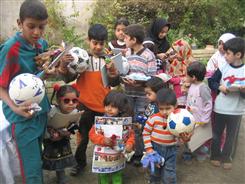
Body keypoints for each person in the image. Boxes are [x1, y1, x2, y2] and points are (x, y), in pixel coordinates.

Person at [0, 1, 49, 183]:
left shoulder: (41, 44)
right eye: (31, 26)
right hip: (22, 118)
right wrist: (14, 108)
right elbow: (0, 85)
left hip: (40, 111)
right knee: (30, 168)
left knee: (38, 159)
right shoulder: (11, 50)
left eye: (41, 27)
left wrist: (49, 69)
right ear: (20, 23)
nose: (36, 32)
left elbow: (35, 80)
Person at [69, 24, 119, 176]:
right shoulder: (80, 59)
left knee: (106, 137)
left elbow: (115, 82)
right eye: (94, 43)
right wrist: (65, 66)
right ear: (88, 41)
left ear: (105, 43)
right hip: (84, 106)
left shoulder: (109, 60)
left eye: (101, 43)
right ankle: (80, 163)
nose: (98, 46)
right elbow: (68, 77)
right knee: (83, 137)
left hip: (104, 107)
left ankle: (107, 163)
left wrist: (112, 71)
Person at [121, 24, 157, 165]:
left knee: (139, 123)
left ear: (134, 39)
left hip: (142, 96)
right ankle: (129, 150)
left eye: (126, 38)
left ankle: (139, 153)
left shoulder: (149, 55)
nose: (124, 40)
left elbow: (153, 78)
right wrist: (124, 78)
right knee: (128, 122)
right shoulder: (127, 53)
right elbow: (124, 71)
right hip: (129, 93)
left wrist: (140, 83)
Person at [208, 37, 245, 170]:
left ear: (238, 55)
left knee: (231, 136)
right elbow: (211, 81)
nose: (225, 56)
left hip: (236, 110)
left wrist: (242, 90)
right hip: (221, 108)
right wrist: (220, 87)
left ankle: (226, 157)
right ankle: (215, 156)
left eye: (228, 53)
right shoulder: (223, 67)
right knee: (217, 133)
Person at [143, 88, 191, 184]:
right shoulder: (153, 118)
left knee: (169, 174)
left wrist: (185, 139)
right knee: (155, 173)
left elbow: (181, 139)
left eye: (168, 108)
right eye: (161, 108)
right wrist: (149, 149)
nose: (164, 112)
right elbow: (146, 133)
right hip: (155, 149)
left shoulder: (179, 120)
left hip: (171, 150)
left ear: (175, 105)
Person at [89, 91, 135, 184]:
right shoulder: (100, 121)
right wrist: (102, 140)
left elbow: (131, 135)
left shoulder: (125, 122)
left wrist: (130, 144)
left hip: (118, 155)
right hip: (103, 155)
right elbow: (92, 135)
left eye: (113, 107)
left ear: (121, 108)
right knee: (103, 176)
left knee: (117, 175)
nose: (109, 109)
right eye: (107, 105)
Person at [42, 84, 80, 184]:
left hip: (63, 140)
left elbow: (74, 126)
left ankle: (61, 177)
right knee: (54, 157)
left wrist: (68, 132)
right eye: (66, 100)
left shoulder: (75, 112)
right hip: (51, 140)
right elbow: (44, 126)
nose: (71, 103)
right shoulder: (52, 112)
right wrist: (51, 135)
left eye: (74, 100)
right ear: (59, 101)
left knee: (62, 158)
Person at [184, 61, 212, 162]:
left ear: (194, 77)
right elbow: (190, 99)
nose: (185, 77)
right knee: (188, 136)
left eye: (187, 75)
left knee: (198, 138)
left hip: (199, 119)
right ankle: (189, 152)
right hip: (191, 117)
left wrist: (205, 119)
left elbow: (208, 103)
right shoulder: (192, 85)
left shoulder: (203, 88)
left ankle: (203, 152)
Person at [166, 39, 195, 107]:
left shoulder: (192, 63)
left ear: (184, 51)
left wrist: (180, 80)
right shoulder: (175, 62)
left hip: (190, 94)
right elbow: (169, 75)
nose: (175, 55)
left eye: (177, 52)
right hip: (176, 94)